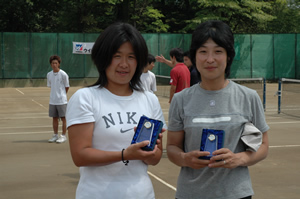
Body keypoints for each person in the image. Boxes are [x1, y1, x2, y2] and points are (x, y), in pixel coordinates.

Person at [166, 20, 269, 199]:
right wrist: (185, 159)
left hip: (237, 194)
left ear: (229, 56)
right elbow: (172, 147)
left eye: (218, 51)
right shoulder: (180, 99)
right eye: (203, 51)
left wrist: (240, 158)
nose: (210, 59)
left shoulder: (248, 97)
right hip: (190, 194)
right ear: (195, 56)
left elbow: (264, 146)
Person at [65, 22, 166, 199]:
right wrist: (125, 154)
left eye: (131, 57)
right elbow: (80, 155)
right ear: (103, 58)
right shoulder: (85, 98)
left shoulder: (150, 99)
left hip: (143, 194)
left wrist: (150, 151)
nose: (124, 64)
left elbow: (155, 158)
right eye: (117, 56)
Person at [47, 55, 69, 143]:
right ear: (51, 64)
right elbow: (50, 86)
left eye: (56, 63)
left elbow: (67, 87)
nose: (54, 65)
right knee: (54, 118)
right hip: (52, 100)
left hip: (62, 101)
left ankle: (63, 136)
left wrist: (62, 95)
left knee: (64, 118)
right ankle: (55, 135)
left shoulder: (63, 74)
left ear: (59, 64)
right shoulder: (49, 74)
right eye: (52, 63)